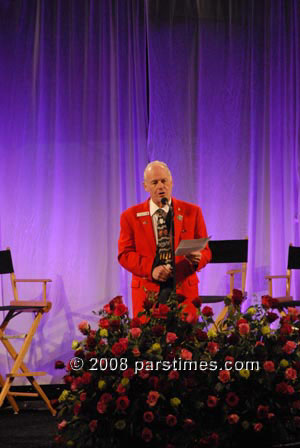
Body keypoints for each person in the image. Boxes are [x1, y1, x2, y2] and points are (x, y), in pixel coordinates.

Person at [118, 161, 211, 318]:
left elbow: (206, 251)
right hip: (148, 293)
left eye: (164, 181)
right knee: (150, 342)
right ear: (145, 186)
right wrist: (151, 270)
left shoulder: (193, 212)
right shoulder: (130, 216)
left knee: (187, 342)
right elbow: (124, 255)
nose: (160, 186)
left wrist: (198, 258)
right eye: (154, 182)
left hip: (183, 291)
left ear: (172, 182)